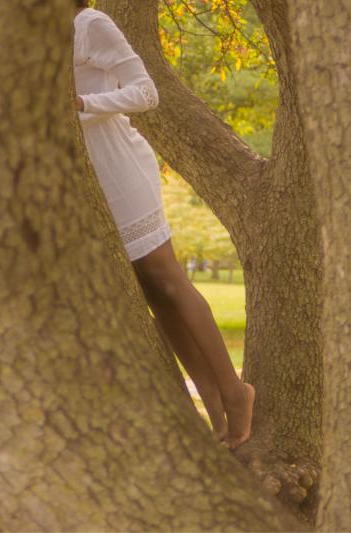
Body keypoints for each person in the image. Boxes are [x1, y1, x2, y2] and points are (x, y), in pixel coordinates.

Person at [72, 1, 255, 449]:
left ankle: (235, 392)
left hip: (121, 166)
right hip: (88, 179)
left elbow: (146, 92)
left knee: (167, 279)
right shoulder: (31, 39)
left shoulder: (90, 24)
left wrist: (83, 104)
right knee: (153, 295)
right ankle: (214, 407)